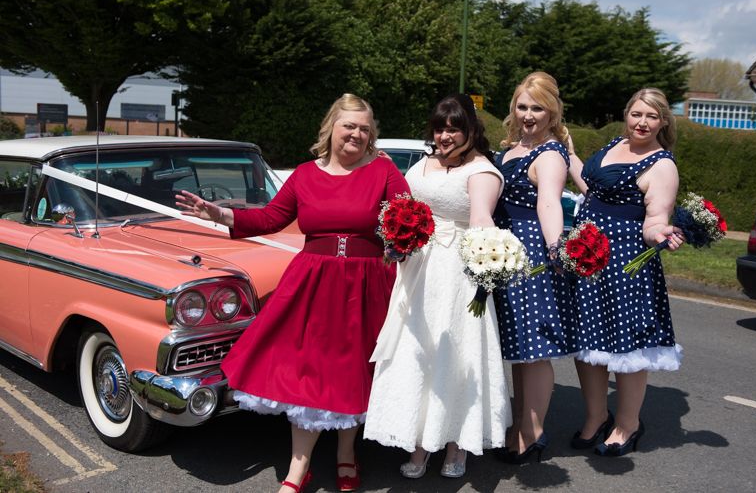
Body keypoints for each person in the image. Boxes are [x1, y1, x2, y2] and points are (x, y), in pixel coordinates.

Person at [176, 93, 409, 493]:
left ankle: (347, 454)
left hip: (368, 284)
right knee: (309, 374)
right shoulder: (304, 174)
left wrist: (401, 244)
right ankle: (298, 471)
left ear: (372, 136)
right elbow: (270, 217)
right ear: (331, 127)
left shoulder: (384, 173)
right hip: (313, 284)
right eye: (349, 126)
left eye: (364, 129)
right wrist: (221, 214)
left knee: (355, 372)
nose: (356, 134)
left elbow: (408, 220)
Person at [363, 94, 511, 480]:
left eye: (454, 128)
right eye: (440, 127)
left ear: (471, 130)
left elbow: (481, 218)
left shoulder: (481, 170)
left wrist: (490, 264)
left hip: (456, 272)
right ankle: (418, 441)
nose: (445, 136)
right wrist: (395, 238)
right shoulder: (423, 164)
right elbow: (402, 205)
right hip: (418, 268)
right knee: (416, 351)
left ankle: (455, 444)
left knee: (455, 351)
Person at [565, 88, 684, 457]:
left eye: (651, 116)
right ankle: (596, 417)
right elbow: (592, 187)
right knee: (588, 345)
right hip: (587, 258)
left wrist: (660, 234)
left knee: (627, 350)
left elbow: (654, 220)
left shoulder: (662, 165)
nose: (642, 123)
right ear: (626, 115)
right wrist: (568, 153)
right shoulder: (614, 144)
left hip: (625, 265)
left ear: (663, 121)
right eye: (636, 114)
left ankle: (627, 424)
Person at [492, 71, 575, 463]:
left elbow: (548, 204)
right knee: (518, 349)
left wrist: (556, 249)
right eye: (522, 106)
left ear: (552, 112)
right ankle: (517, 427)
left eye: (537, 108)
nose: (528, 115)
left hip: (532, 254)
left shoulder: (551, 154)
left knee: (534, 349)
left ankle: (534, 431)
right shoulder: (508, 148)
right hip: (501, 251)